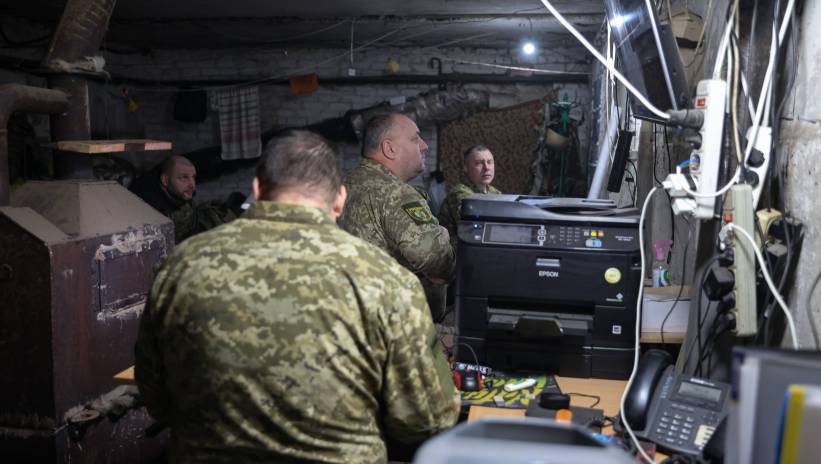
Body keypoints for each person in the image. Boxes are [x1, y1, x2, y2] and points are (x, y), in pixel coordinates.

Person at [135, 130, 460, 463]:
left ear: (257, 191)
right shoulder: (388, 280)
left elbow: (155, 395)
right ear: (339, 199)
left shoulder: (182, 265)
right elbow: (427, 418)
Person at [338, 113, 455, 322]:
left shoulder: (346, 186)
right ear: (389, 148)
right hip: (397, 324)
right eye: (415, 138)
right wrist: (443, 239)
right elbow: (436, 261)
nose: (424, 146)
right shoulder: (396, 194)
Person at [130, 155, 236, 244]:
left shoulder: (180, 192)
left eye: (193, 177)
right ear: (165, 180)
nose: (192, 185)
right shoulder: (149, 204)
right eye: (184, 178)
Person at [437, 145, 502, 239]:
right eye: (479, 163)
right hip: (459, 246)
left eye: (490, 162)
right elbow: (473, 225)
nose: (487, 167)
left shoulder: (495, 193)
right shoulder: (459, 193)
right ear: (465, 168)